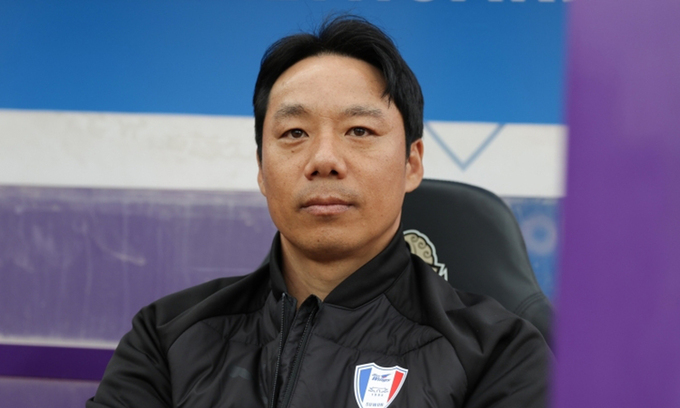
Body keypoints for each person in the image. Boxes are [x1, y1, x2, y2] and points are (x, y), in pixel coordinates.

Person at [88, 15, 550, 408]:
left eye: (359, 130)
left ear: (412, 163)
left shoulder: (499, 354)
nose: (324, 160)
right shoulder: (167, 338)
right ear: (261, 170)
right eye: (294, 133)